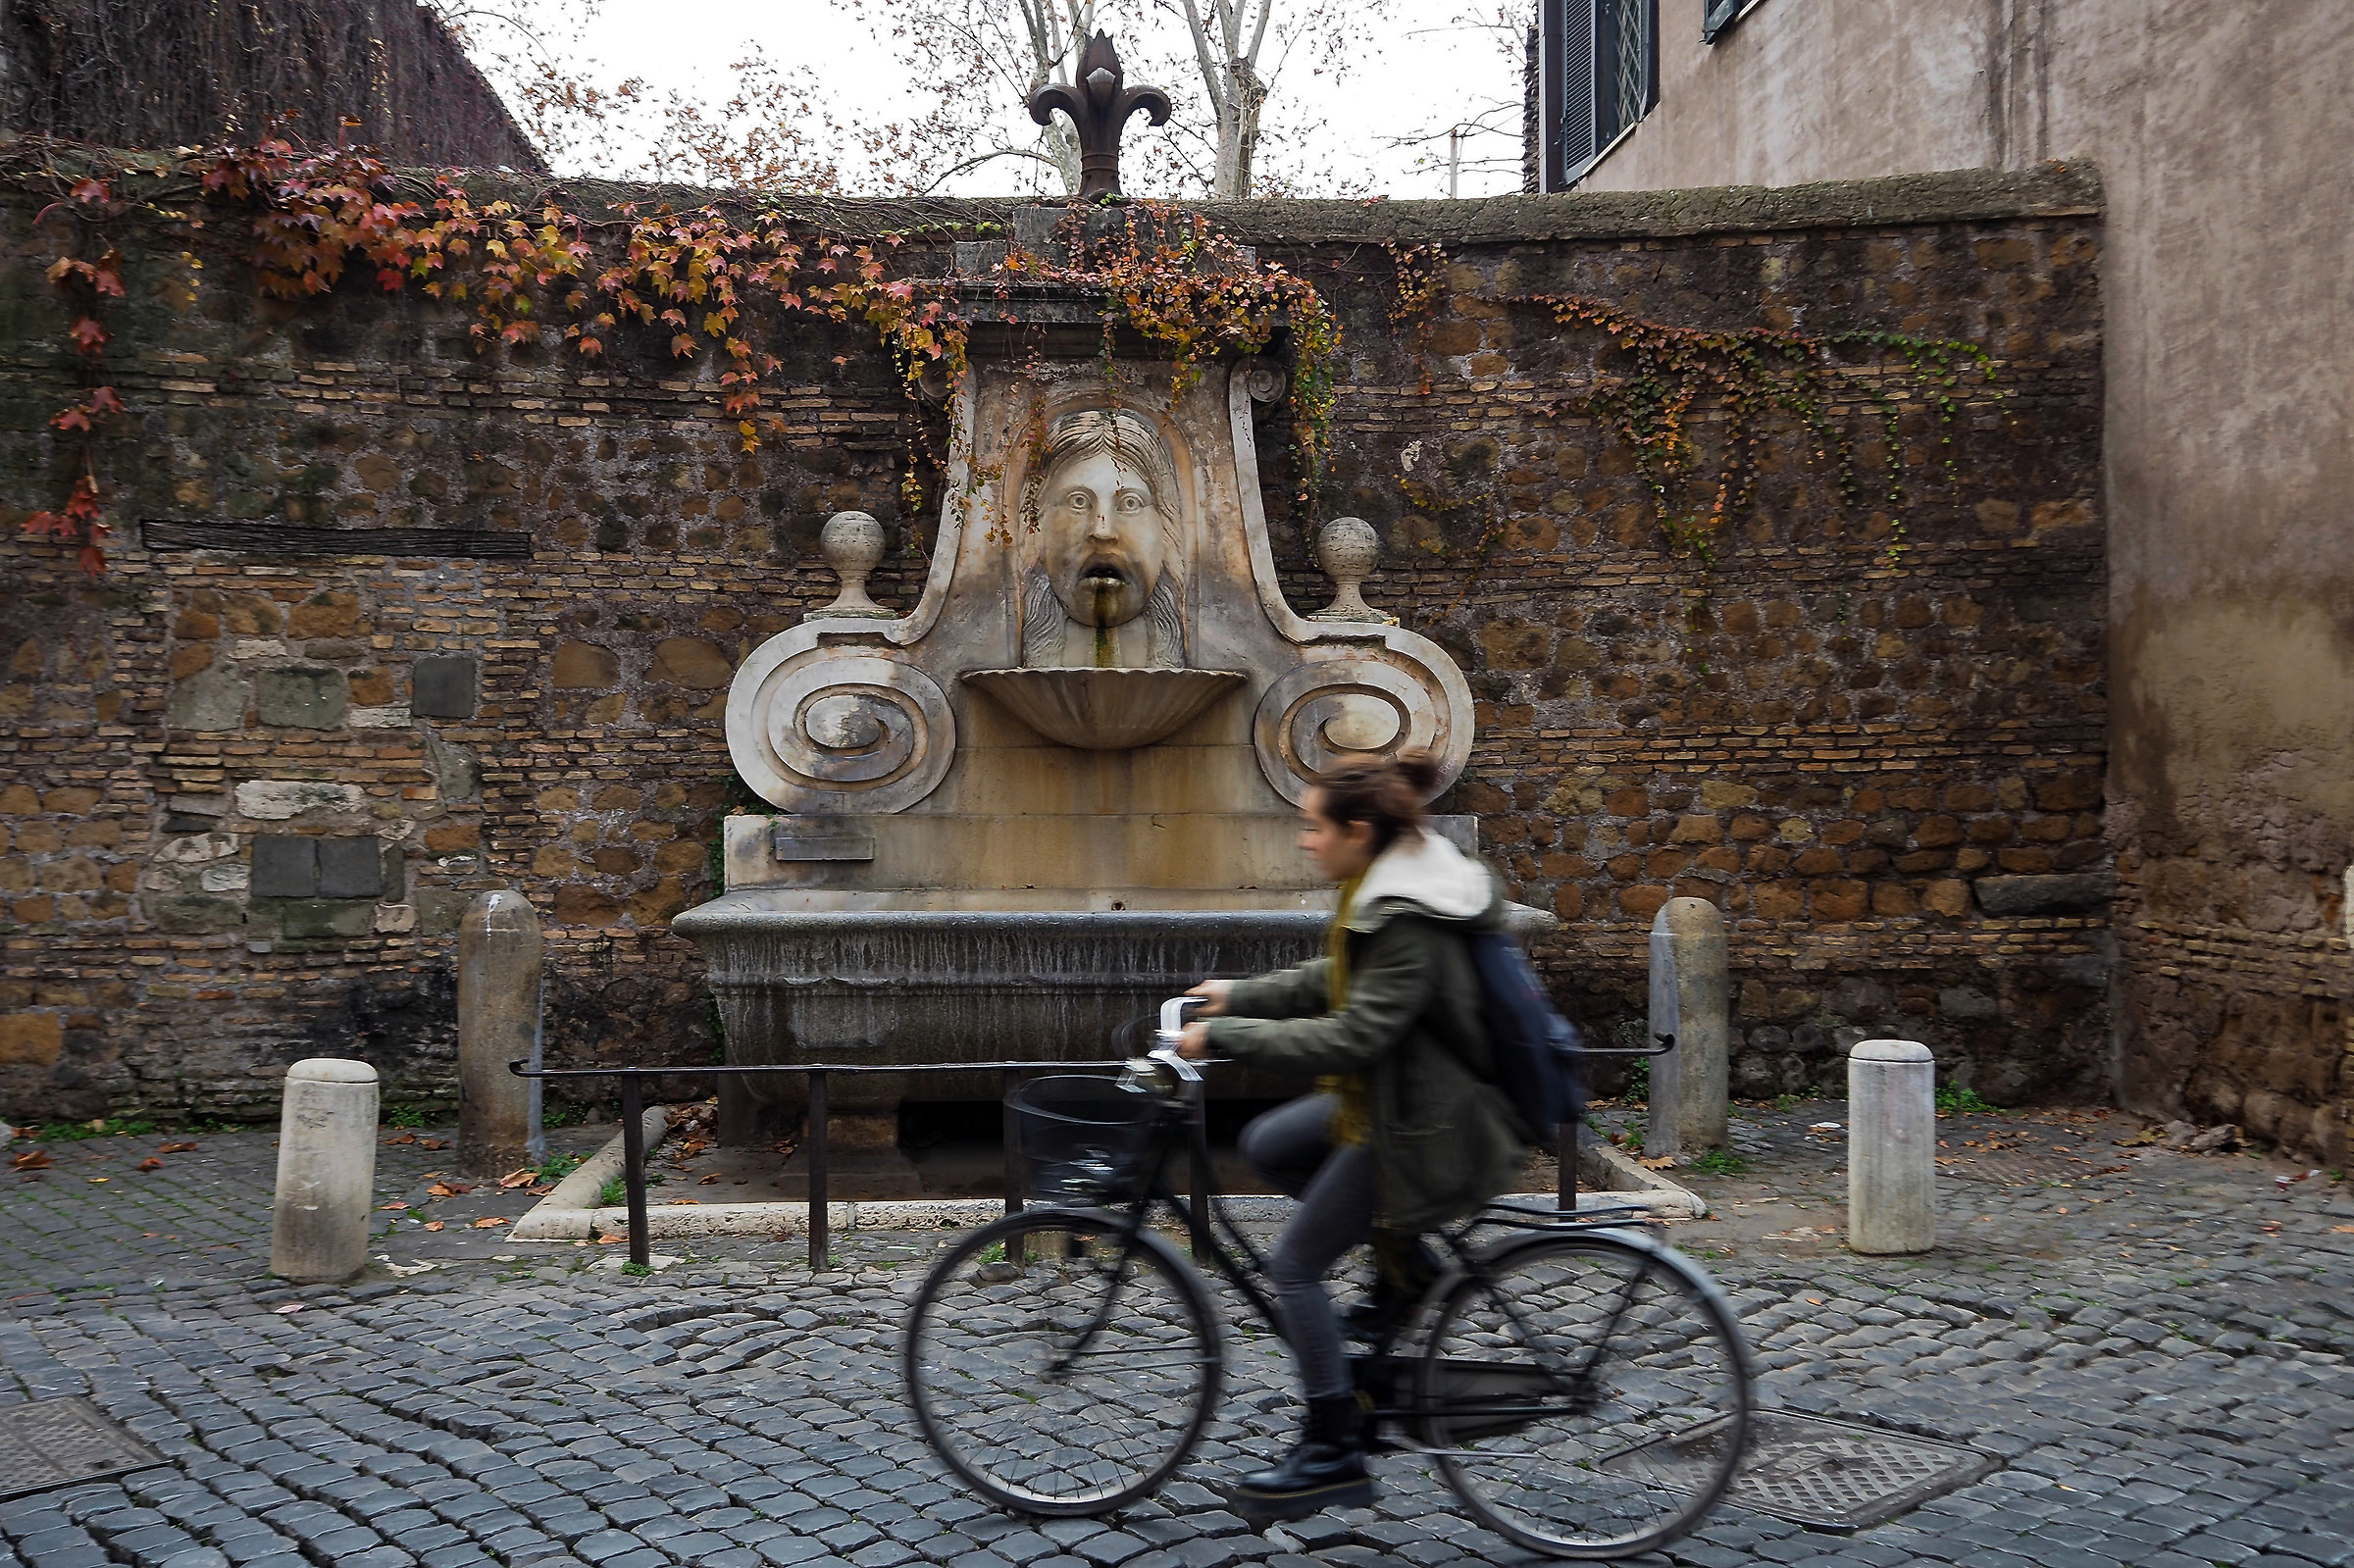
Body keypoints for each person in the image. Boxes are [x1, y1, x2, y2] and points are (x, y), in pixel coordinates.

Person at [1177, 752, 1533, 1519]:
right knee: (1273, 1142)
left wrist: (1229, 1037)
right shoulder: (1385, 885)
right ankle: (1408, 1266)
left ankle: (1332, 1448)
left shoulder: (1407, 915)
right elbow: (1334, 980)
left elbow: (1353, 1035)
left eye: (1314, 826)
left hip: (1426, 1123)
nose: (1306, 841)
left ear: (1358, 830)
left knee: (1297, 1265)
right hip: (1398, 1098)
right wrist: (1240, 992)